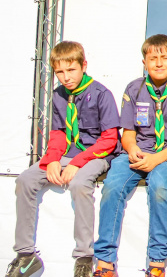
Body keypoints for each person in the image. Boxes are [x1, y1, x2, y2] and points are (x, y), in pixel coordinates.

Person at [9, 42, 119, 277]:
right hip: (67, 154)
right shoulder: (59, 95)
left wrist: (78, 162)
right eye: (60, 72)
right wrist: (52, 159)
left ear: (84, 66)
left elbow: (109, 140)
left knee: (79, 184)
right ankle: (26, 254)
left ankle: (84, 256)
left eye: (71, 70)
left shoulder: (101, 94)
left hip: (96, 154)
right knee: (25, 180)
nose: (66, 77)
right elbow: (58, 132)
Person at [94, 34, 167, 277]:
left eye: (164, 58)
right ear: (144, 62)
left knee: (159, 183)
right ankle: (105, 261)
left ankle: (157, 260)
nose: (158, 63)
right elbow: (127, 134)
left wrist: (156, 160)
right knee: (112, 184)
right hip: (141, 150)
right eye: (152, 59)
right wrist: (133, 150)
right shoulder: (134, 88)